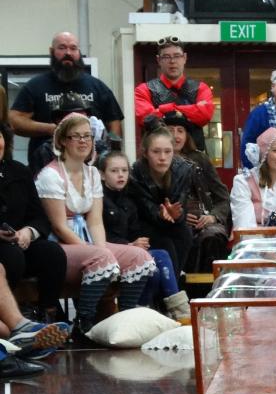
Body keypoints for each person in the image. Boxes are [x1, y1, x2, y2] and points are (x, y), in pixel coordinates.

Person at [36, 114, 155, 339]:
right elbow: (59, 226)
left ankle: (124, 320)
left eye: (88, 136)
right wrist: (96, 252)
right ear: (62, 140)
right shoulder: (50, 175)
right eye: (76, 136)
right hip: (58, 245)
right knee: (101, 257)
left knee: (139, 257)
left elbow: (95, 221)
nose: (83, 141)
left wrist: (101, 248)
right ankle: (84, 324)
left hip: (87, 241)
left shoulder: (91, 173)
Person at [0, 122, 70, 359]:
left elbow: (39, 216)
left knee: (52, 253)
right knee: (10, 257)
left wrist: (28, 232)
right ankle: (24, 332)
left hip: (20, 240)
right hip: (4, 250)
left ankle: (45, 315)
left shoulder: (19, 171)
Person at [9, 32, 123, 171]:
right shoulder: (35, 86)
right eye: (62, 48)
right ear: (52, 51)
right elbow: (14, 121)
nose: (68, 52)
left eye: (73, 48)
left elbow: (115, 125)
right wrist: (51, 129)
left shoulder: (97, 87)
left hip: (91, 167)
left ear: (79, 52)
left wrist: (106, 155)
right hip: (45, 166)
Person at [99, 152, 190, 322]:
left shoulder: (129, 201)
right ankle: (179, 310)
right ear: (102, 175)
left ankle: (144, 311)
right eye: (114, 171)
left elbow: (135, 231)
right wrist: (129, 244)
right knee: (161, 255)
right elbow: (99, 233)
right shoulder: (100, 199)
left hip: (131, 252)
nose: (120, 175)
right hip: (106, 252)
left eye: (124, 170)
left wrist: (138, 242)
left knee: (153, 269)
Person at [126, 119, 197, 279]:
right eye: (156, 152)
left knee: (185, 235)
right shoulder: (136, 173)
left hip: (170, 223)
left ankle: (172, 287)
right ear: (145, 153)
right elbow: (143, 208)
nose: (162, 157)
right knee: (166, 244)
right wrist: (160, 213)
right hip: (144, 223)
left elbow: (180, 208)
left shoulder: (183, 170)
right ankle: (171, 294)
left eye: (167, 151)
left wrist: (176, 215)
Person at [163, 111, 231, 272]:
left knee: (213, 236)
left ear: (187, 135)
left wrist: (213, 216)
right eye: (170, 130)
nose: (176, 136)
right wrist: (177, 217)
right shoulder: (156, 161)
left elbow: (223, 197)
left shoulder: (200, 159)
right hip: (171, 222)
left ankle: (209, 291)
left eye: (180, 130)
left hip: (204, 219)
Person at [134, 36, 213, 152]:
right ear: (158, 60)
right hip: (158, 157)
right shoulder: (144, 89)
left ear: (184, 58)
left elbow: (205, 115)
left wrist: (165, 109)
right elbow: (146, 119)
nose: (172, 61)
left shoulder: (201, 88)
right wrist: (191, 111)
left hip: (195, 156)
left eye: (177, 56)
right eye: (166, 57)